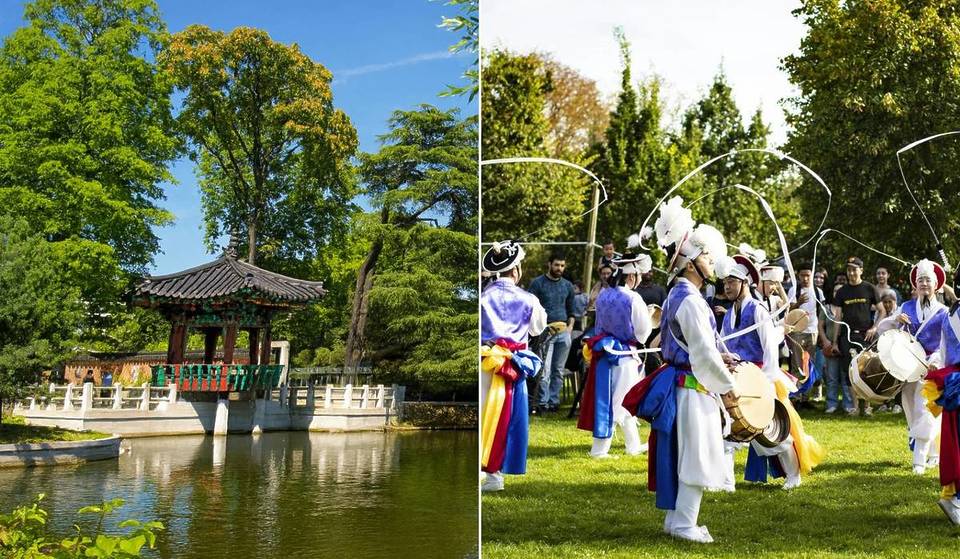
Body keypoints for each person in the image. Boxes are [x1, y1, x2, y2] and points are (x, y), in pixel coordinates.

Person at [621, 196, 736, 544]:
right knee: (695, 455)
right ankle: (685, 523)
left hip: (684, 383)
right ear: (689, 264)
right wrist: (727, 384)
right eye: (705, 257)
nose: (711, 261)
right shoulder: (689, 300)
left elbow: (698, 345)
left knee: (682, 452)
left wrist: (721, 356)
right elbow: (701, 352)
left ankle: (676, 521)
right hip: (692, 386)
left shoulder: (680, 296)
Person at [717, 255, 824, 491]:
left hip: (758, 378)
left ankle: (793, 474)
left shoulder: (757, 310)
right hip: (734, 377)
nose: (727, 286)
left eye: (732, 282)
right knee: (728, 429)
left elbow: (769, 349)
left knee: (772, 431)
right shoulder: (728, 313)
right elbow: (722, 344)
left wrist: (765, 381)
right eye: (725, 282)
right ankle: (726, 483)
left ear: (745, 283)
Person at [480, 240, 546, 492]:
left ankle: (486, 471)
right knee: (507, 418)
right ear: (515, 270)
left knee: (486, 415)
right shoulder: (528, 298)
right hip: (514, 364)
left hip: (486, 361)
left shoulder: (483, 297)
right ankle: (496, 476)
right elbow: (538, 327)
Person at [579, 253, 652, 458]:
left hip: (604, 351)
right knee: (620, 401)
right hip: (624, 354)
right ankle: (599, 450)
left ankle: (632, 445)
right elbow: (643, 332)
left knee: (613, 399)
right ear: (632, 276)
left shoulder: (603, 295)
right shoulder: (633, 297)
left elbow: (598, 324)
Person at [877, 259, 946, 474]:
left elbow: (946, 342)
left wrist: (936, 361)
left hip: (931, 367)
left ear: (935, 285)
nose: (924, 284)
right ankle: (934, 453)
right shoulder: (906, 306)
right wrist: (896, 318)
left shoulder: (943, 312)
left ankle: (919, 461)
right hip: (906, 367)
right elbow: (883, 330)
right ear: (915, 285)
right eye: (920, 280)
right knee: (911, 409)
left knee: (925, 409)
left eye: (927, 280)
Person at [925, 266, 960, 525]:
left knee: (955, 442)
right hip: (956, 384)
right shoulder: (951, 315)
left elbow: (943, 352)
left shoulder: (950, 315)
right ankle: (956, 500)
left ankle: (955, 498)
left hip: (954, 382)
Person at [832, 256, 886, 416]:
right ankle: (855, 407)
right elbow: (837, 318)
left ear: (861, 270)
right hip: (847, 337)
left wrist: (874, 327)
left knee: (866, 370)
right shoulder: (842, 291)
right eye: (849, 269)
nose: (851, 272)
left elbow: (882, 310)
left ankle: (867, 407)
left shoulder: (869, 288)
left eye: (854, 269)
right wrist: (835, 341)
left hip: (866, 337)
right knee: (850, 371)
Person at [528, 253, 576, 412]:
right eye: (556, 265)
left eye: (562, 266)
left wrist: (569, 328)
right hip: (545, 332)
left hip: (564, 332)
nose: (559, 268)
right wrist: (540, 329)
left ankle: (554, 402)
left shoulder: (568, 285)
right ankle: (543, 401)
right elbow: (531, 309)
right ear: (549, 264)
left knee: (558, 370)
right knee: (544, 370)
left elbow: (572, 311)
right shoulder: (537, 283)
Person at [820, 284, 855, 413]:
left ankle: (848, 404)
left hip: (845, 345)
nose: (837, 293)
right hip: (830, 345)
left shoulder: (847, 308)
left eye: (839, 291)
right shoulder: (826, 308)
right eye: (835, 290)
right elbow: (820, 326)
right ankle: (831, 403)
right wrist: (825, 341)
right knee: (832, 377)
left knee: (846, 377)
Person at [787, 264, 822, 386]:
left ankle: (806, 395)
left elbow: (821, 313)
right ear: (798, 276)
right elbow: (788, 311)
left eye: (808, 275)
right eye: (803, 275)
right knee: (797, 364)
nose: (805, 278)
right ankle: (796, 394)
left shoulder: (818, 291)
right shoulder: (793, 290)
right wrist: (798, 303)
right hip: (797, 332)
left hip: (813, 332)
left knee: (810, 364)